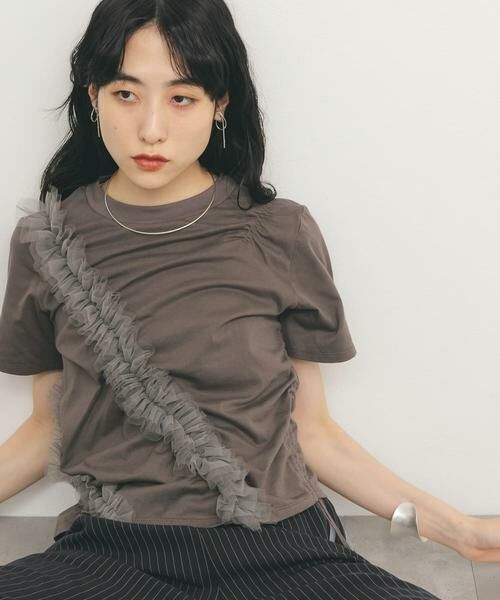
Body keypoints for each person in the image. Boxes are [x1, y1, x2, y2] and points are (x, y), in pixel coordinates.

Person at [0, 1, 482, 597]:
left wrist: (457, 529)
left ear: (220, 103)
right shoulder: (47, 240)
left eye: (182, 98)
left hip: (281, 549)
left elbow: (315, 432)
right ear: (94, 95)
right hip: (111, 552)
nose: (151, 128)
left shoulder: (280, 231)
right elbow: (46, 427)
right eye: (126, 94)